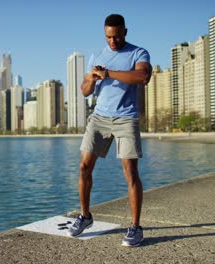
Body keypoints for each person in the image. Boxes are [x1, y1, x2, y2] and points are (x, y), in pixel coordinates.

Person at [67, 14, 152, 247]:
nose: (112, 41)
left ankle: (135, 228)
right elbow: (85, 91)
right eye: (108, 37)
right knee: (84, 166)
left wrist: (109, 74)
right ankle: (85, 216)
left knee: (130, 171)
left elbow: (142, 76)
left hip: (126, 118)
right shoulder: (98, 55)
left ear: (125, 31)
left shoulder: (138, 53)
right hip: (99, 117)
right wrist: (93, 78)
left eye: (115, 36)